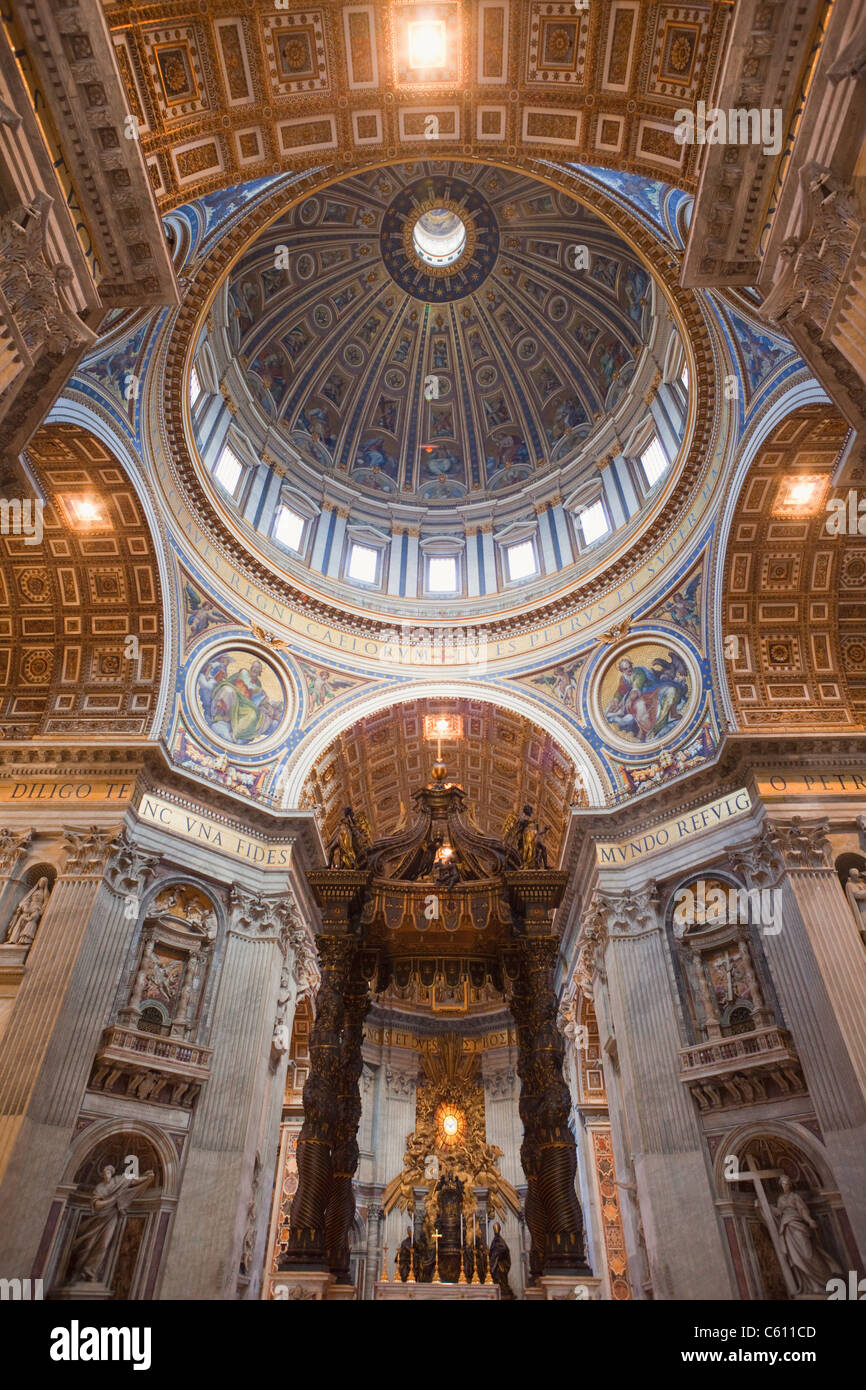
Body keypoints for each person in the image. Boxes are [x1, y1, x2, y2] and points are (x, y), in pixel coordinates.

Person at [67, 1164, 155, 1283]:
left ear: (112, 1173)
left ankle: (90, 1270)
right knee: (87, 1246)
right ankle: (77, 1272)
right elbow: (96, 1204)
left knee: (104, 1244)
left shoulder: (119, 1180)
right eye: (104, 1172)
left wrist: (147, 1178)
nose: (106, 1174)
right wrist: (111, 1199)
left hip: (112, 1216)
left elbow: (133, 1181)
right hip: (98, 1218)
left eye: (108, 1172)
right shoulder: (100, 1187)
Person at [772, 1175, 840, 1294]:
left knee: (808, 1254)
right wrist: (764, 1206)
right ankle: (813, 1286)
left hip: (798, 1226)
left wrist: (809, 1221)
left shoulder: (795, 1197)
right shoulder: (780, 1199)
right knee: (797, 1258)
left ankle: (825, 1281)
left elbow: (803, 1210)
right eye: (783, 1183)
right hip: (787, 1229)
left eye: (787, 1183)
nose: (785, 1185)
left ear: (790, 1184)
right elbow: (778, 1212)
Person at [4, 876, 50, 946]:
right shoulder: (34, 890)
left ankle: (25, 940)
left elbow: (45, 903)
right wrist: (25, 905)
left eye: (43, 882)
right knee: (20, 922)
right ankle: (13, 939)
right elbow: (27, 898)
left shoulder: (45, 893)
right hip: (29, 908)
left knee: (30, 923)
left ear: (45, 884)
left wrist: (40, 910)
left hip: (36, 909)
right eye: (41, 881)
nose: (41, 883)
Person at [488, 1222, 513, 1297]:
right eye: (494, 1229)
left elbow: (504, 1249)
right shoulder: (494, 1240)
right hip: (496, 1263)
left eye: (496, 1229)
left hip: (501, 1264)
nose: (496, 1230)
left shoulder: (500, 1240)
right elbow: (492, 1251)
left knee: (501, 1277)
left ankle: (503, 1288)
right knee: (496, 1277)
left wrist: (496, 1253)